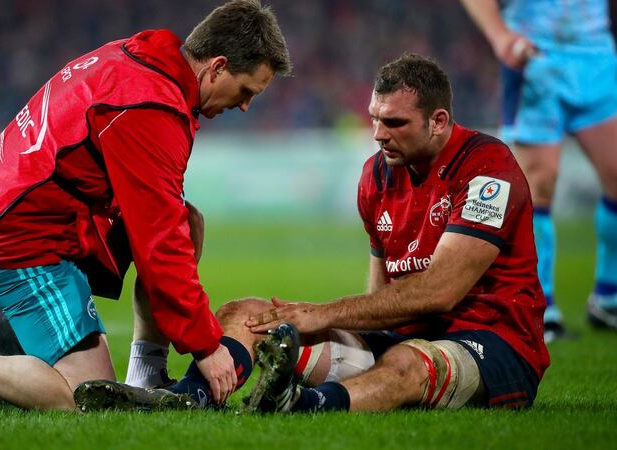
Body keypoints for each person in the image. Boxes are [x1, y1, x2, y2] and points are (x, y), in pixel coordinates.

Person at [0, 0, 292, 413]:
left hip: (35, 206)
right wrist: (206, 347)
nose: (244, 106)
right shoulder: (150, 106)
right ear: (217, 67)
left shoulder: (143, 59)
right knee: (85, 396)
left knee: (187, 221)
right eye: (245, 92)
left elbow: (165, 223)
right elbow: (159, 244)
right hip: (19, 239)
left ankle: (145, 376)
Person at [231, 53, 550, 413]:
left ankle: (302, 405)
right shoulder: (378, 174)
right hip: (407, 338)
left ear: (438, 121)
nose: (379, 134)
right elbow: (379, 296)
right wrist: (330, 331)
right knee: (248, 315)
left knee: (405, 362)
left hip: (494, 344)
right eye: (375, 119)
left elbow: (440, 291)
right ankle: (194, 394)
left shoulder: (488, 169)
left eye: (395, 122)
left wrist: (324, 313)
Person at [460, 0, 617, 340]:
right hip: (536, 58)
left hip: (598, 58)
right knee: (538, 185)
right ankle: (538, 306)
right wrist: (500, 36)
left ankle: (608, 296)